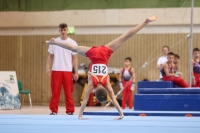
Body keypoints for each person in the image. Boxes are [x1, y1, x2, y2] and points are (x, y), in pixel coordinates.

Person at [46, 16, 157, 120]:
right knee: (73, 48)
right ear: (94, 91)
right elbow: (84, 101)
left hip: (104, 53)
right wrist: (80, 115)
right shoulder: (91, 85)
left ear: (105, 91)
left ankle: (145, 22)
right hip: (94, 54)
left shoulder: (107, 84)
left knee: (124, 37)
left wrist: (121, 114)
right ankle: (56, 43)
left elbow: (113, 99)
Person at [46, 23, 79, 115]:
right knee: (55, 92)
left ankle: (70, 110)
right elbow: (50, 56)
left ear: (67, 30)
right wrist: (47, 67)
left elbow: (74, 58)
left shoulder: (72, 43)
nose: (63, 31)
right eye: (61, 30)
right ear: (59, 31)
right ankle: (53, 110)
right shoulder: (54, 42)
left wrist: (76, 72)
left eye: (64, 30)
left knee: (68, 92)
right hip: (56, 70)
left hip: (68, 71)